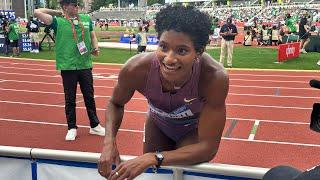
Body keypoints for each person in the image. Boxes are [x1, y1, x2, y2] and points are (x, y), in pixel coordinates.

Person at [98, 5, 229, 179]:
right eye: (164, 47)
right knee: (153, 175)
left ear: (199, 52)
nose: (169, 58)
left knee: (180, 172)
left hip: (192, 130)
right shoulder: (135, 69)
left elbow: (207, 148)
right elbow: (115, 103)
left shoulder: (214, 77)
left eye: (182, 50)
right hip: (157, 124)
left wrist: (154, 157)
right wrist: (109, 141)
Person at [34, 0, 105, 141]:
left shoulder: (85, 18)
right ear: (65, 7)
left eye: (78, 4)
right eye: (74, 5)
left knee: (89, 97)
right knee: (70, 99)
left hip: (85, 64)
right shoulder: (57, 21)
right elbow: (37, 12)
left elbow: (92, 35)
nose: (77, 7)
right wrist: (57, 12)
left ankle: (95, 125)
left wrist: (95, 47)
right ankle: (72, 127)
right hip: (68, 66)